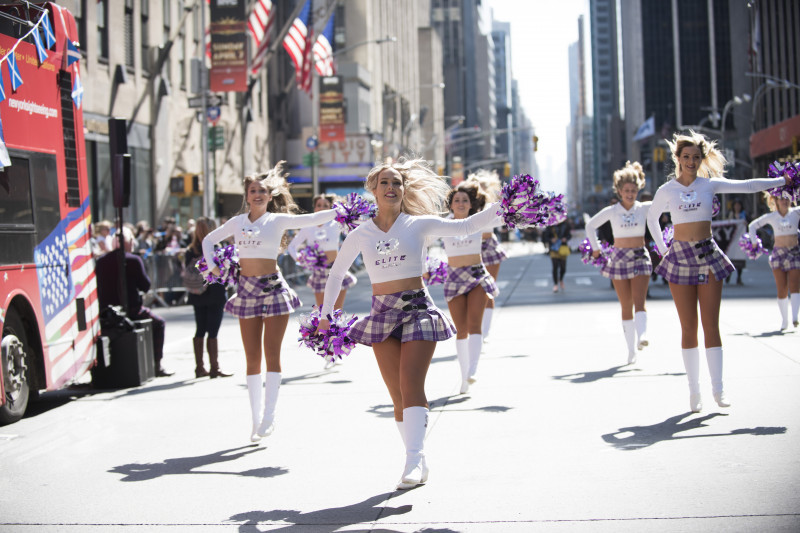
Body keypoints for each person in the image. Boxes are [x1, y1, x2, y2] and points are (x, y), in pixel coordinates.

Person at [315, 158, 503, 490]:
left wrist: (506, 204)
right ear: (373, 189)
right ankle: (417, 456)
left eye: (397, 183)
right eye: (385, 182)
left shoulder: (417, 224)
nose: (391, 188)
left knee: (411, 383)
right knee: (397, 395)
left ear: (404, 190)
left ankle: (413, 459)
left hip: (417, 310)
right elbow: (336, 273)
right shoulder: (361, 233)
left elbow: (466, 227)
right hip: (381, 314)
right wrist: (326, 315)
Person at [646, 131, 790, 413]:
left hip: (708, 254)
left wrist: (782, 181)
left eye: (695, 158)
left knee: (711, 324)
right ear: (677, 158)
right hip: (680, 256)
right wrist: (664, 249)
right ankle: (694, 391)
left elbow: (748, 185)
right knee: (688, 327)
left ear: (701, 160)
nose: (690, 161)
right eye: (686, 157)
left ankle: (718, 388)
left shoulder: (709, 184)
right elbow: (652, 218)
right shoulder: (666, 190)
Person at [202, 162, 338, 443]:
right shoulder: (237, 222)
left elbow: (312, 218)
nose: (257, 194)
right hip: (246, 290)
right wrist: (214, 267)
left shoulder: (277, 220)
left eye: (262, 190)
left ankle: (269, 415)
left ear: (269, 195)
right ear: (247, 194)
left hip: (274, 289)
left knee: (272, 354)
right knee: (251, 357)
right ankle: (255, 419)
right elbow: (208, 240)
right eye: (252, 190)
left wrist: (344, 212)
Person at [585, 161, 652, 364]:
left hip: (640, 256)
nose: (630, 194)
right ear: (619, 191)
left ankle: (642, 336)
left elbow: (669, 207)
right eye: (626, 191)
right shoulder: (612, 211)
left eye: (633, 190)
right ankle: (631, 350)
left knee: (640, 300)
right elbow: (590, 225)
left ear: (638, 189)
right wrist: (596, 250)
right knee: (626, 305)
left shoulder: (644, 208)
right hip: (619, 257)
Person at [440, 181, 500, 393]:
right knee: (461, 330)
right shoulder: (442, 224)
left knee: (475, 324)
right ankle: (464, 376)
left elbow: (505, 216)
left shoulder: (478, 221)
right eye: (457, 200)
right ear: (451, 204)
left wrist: (523, 208)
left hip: (476, 275)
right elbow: (421, 241)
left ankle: (473, 370)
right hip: (454, 277)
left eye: (465, 200)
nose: (461, 203)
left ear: (471, 204)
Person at [95, 226, 172, 377]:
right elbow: (145, 285)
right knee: (159, 323)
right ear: (129, 242)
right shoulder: (133, 260)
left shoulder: (101, 261)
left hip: (106, 312)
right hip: (132, 310)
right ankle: (157, 364)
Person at [286, 193, 357, 310]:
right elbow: (292, 247)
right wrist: (301, 260)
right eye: (319, 205)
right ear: (314, 208)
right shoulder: (307, 227)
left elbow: (353, 231)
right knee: (322, 312)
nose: (321, 208)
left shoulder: (336, 224)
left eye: (325, 205)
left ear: (330, 209)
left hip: (336, 270)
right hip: (319, 273)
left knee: (336, 313)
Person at [184, 217, 232, 379]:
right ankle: (214, 368)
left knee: (200, 328)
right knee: (213, 331)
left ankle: (199, 368)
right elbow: (225, 270)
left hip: (197, 293)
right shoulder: (217, 248)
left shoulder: (191, 251)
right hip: (216, 293)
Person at [748, 193, 800, 329]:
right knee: (781, 288)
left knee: (795, 285)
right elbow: (752, 226)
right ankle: (784, 321)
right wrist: (754, 242)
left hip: (794, 253)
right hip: (778, 254)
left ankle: (795, 317)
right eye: (782, 199)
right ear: (776, 201)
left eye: (788, 199)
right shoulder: (771, 217)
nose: (785, 202)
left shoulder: (796, 213)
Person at [468, 170, 507, 342]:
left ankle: (485, 331)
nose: (480, 190)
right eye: (477, 187)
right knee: (473, 290)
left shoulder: (492, 207)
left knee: (488, 289)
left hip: (489, 246)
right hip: (471, 248)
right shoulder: (467, 205)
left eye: (483, 187)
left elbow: (503, 220)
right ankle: (475, 328)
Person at [726, 199, 748, 285]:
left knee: (740, 258)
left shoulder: (744, 215)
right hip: (732, 240)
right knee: (730, 258)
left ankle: (739, 277)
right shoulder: (730, 214)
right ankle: (729, 274)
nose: (737, 207)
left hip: (741, 240)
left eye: (738, 205)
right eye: (736, 205)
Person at [544, 221, 571, 292]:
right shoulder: (550, 225)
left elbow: (569, 235)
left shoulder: (565, 225)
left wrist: (565, 239)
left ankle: (561, 279)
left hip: (562, 248)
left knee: (563, 268)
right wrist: (551, 239)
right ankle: (555, 284)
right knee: (555, 267)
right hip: (553, 249)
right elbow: (545, 237)